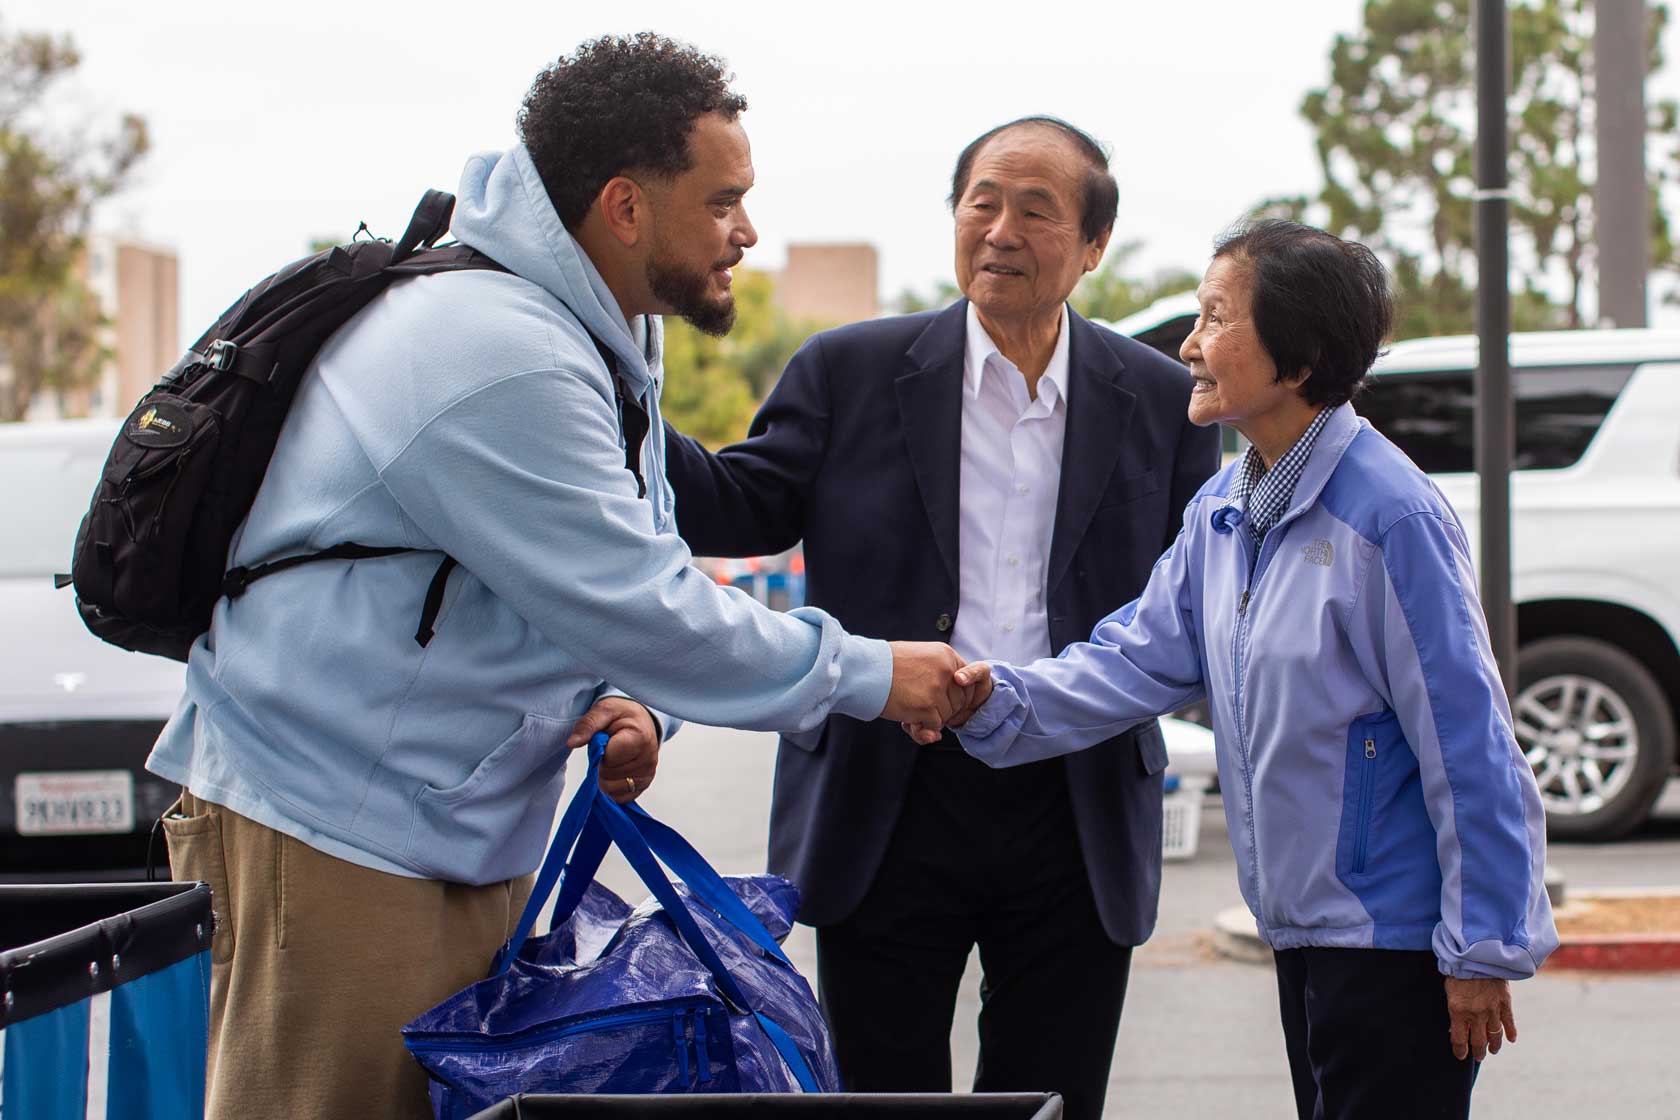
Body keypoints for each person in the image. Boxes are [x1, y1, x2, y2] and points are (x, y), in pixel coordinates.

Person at [147, 34, 968, 1120]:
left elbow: (585, 577)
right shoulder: (496, 350)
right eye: (723, 201)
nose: (747, 231)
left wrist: (606, 697)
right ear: (625, 208)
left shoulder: (598, 332)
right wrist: (870, 673)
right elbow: (639, 600)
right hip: (332, 825)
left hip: (433, 825)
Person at [931, 219, 1558, 1120]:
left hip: (1397, 946)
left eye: (1216, 318)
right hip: (1307, 930)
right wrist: (987, 700)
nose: (1190, 345)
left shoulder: (1390, 516)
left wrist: (1482, 947)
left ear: (1298, 359)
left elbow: (1468, 740)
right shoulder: (1228, 505)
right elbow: (1133, 662)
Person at [663, 116, 1220, 1119]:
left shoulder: (1159, 398)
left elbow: (1195, 600)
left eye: (1036, 210)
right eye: (982, 203)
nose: (1000, 229)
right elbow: (736, 502)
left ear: (1092, 246)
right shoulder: (851, 370)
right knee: (882, 1100)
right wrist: (611, 394)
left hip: (1077, 798)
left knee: (1051, 1098)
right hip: (890, 789)